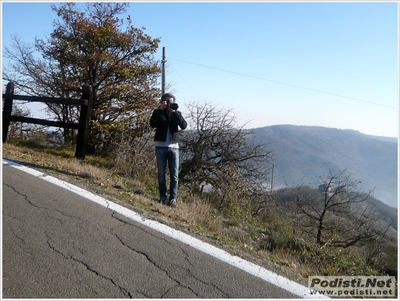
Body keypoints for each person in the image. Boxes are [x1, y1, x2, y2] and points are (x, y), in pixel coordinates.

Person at [150, 93, 187, 207]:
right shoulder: (158, 112)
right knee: (161, 174)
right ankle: (162, 196)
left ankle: (173, 198)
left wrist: (174, 113)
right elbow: (152, 124)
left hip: (173, 147)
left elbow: (184, 125)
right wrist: (160, 110)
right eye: (167, 102)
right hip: (160, 146)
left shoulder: (176, 114)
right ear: (162, 102)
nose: (169, 104)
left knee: (174, 174)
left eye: (171, 102)